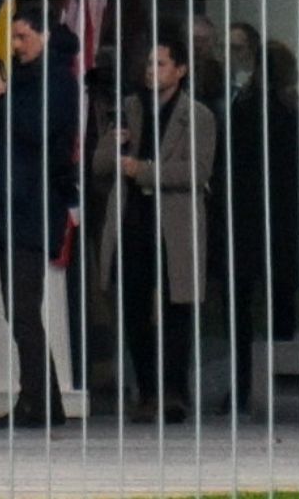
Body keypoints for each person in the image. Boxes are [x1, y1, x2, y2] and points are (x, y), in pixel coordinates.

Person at [92, 36, 216, 424]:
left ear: (181, 70)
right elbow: (98, 167)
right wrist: (113, 145)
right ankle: (147, 391)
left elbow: (197, 172)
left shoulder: (196, 116)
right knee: (133, 309)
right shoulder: (129, 108)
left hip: (173, 225)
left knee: (176, 309)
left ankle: (173, 391)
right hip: (133, 222)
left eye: (161, 64)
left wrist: (142, 170)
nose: (151, 70)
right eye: (149, 63)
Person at [0, 4, 80, 428]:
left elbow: (38, 129)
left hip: (34, 208)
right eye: (13, 38)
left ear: (45, 36)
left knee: (23, 309)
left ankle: (38, 404)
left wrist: (6, 98)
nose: (15, 46)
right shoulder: (24, 80)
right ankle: (42, 401)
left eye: (22, 37)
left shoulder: (59, 80)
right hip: (7, 206)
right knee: (17, 311)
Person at [217, 22, 299, 412]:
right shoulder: (291, 111)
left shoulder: (243, 108)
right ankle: (283, 385)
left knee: (241, 308)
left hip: (244, 220)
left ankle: (242, 385)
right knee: (282, 304)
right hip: (283, 222)